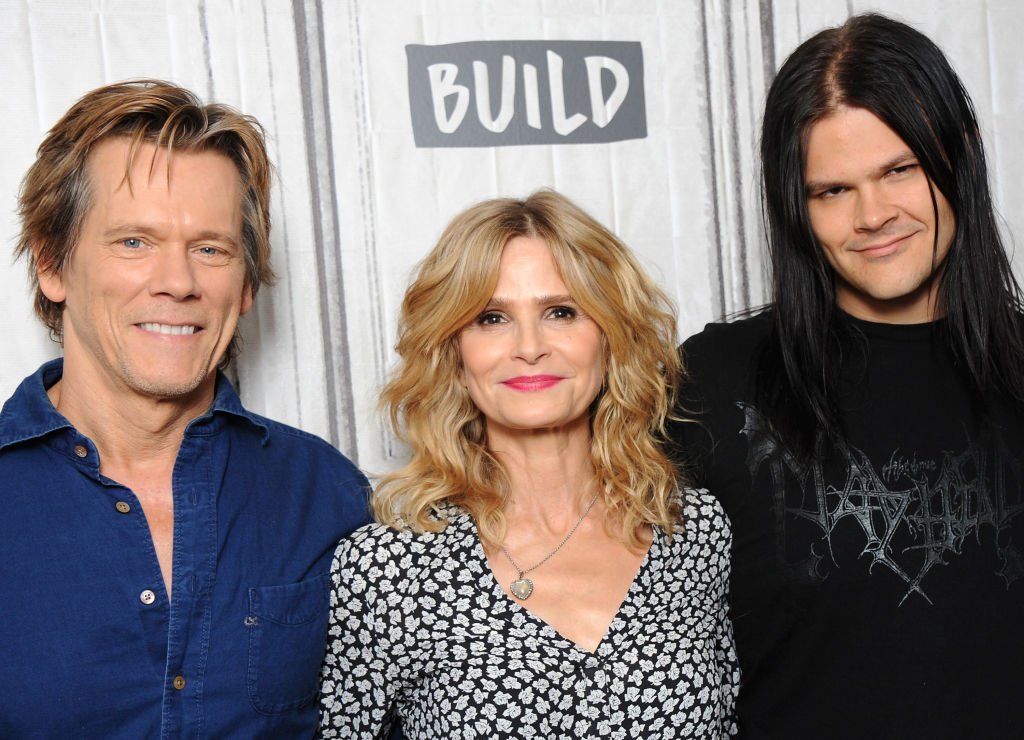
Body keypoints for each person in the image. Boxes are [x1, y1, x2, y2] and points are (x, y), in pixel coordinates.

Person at [673, 13, 1024, 739]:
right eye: (832, 190)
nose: (873, 215)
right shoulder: (717, 381)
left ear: (961, 155)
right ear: (794, 206)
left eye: (900, 170)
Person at [0, 80, 371, 737]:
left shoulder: (325, 494)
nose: (178, 282)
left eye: (211, 248)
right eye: (134, 242)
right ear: (53, 265)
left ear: (247, 283)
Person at [318, 190, 739, 738]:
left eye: (561, 312)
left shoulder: (696, 532)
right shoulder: (386, 570)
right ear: (456, 358)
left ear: (610, 341)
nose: (529, 346)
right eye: (491, 318)